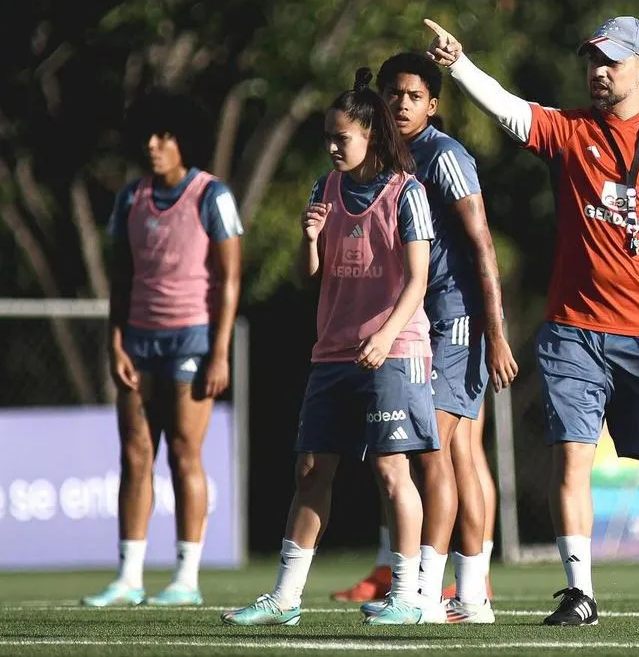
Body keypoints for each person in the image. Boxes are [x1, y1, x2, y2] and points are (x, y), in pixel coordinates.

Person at [425, 16, 639, 625]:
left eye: (611, 61)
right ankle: (580, 593)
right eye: (592, 60)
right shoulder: (570, 131)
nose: (598, 71)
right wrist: (459, 65)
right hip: (573, 330)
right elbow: (510, 111)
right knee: (571, 459)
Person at [221, 67, 439, 627]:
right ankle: (286, 599)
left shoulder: (406, 193)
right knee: (312, 469)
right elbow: (310, 277)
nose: (332, 146)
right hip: (334, 351)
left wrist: (385, 337)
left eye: (341, 137)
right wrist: (309, 241)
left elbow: (418, 281)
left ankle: (409, 597)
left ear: (370, 134)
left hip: (395, 348)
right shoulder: (325, 188)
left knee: (393, 472)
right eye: (328, 137)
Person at [331, 52, 515, 623]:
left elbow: (482, 244)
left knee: (431, 450)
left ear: (431, 105)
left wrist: (498, 332)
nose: (401, 104)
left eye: (413, 96)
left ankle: (431, 594)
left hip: (455, 319)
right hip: (411, 326)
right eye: (393, 93)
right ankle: (469, 596)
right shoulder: (380, 161)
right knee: (451, 453)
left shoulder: (445, 155)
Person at [83, 91, 243, 608]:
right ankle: (129, 577)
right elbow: (121, 277)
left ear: (183, 142)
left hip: (191, 339)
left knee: (183, 452)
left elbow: (230, 278)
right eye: (148, 136)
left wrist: (220, 352)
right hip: (138, 339)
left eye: (164, 136)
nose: (154, 145)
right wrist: (115, 342)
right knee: (134, 455)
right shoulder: (130, 198)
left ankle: (186, 579)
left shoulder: (211, 195)